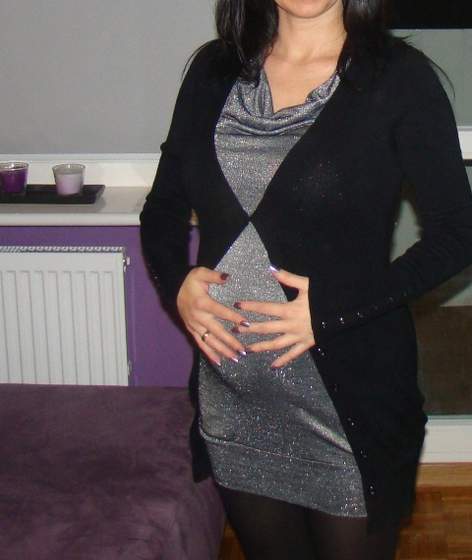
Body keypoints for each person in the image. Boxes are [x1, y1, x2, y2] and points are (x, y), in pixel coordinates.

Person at [139, 1, 472, 558]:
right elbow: (163, 209)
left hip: (350, 413)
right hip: (237, 407)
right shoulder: (213, 72)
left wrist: (333, 308)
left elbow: (457, 232)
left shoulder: (399, 79)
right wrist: (177, 284)